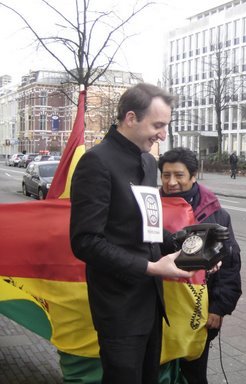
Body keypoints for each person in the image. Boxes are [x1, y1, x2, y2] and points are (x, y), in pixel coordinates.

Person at [70, 83, 196, 384]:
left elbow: (147, 225)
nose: (162, 135)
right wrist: (150, 267)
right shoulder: (96, 162)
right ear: (130, 118)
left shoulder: (147, 161)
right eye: (158, 125)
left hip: (150, 302)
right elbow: (85, 242)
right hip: (118, 307)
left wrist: (193, 248)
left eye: (165, 126)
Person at [158, 147, 242, 384]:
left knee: (193, 374)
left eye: (178, 175)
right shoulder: (150, 208)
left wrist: (219, 307)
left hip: (197, 310)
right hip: (158, 308)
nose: (171, 182)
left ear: (193, 176)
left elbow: (230, 264)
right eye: (166, 175)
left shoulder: (215, 214)